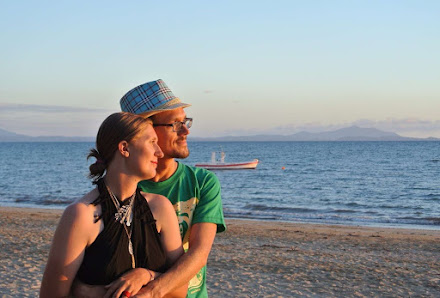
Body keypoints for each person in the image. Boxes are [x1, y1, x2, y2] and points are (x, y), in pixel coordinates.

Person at [40, 112, 187, 298]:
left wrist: (145, 276)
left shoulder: (160, 208)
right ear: (125, 148)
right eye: (152, 142)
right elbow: (51, 295)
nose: (159, 151)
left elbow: (181, 290)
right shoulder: (82, 216)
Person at [120, 79, 227, 297]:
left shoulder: (201, 182)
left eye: (186, 121)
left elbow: (199, 253)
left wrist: (150, 290)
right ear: (144, 131)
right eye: (175, 124)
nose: (185, 131)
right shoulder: (123, 187)